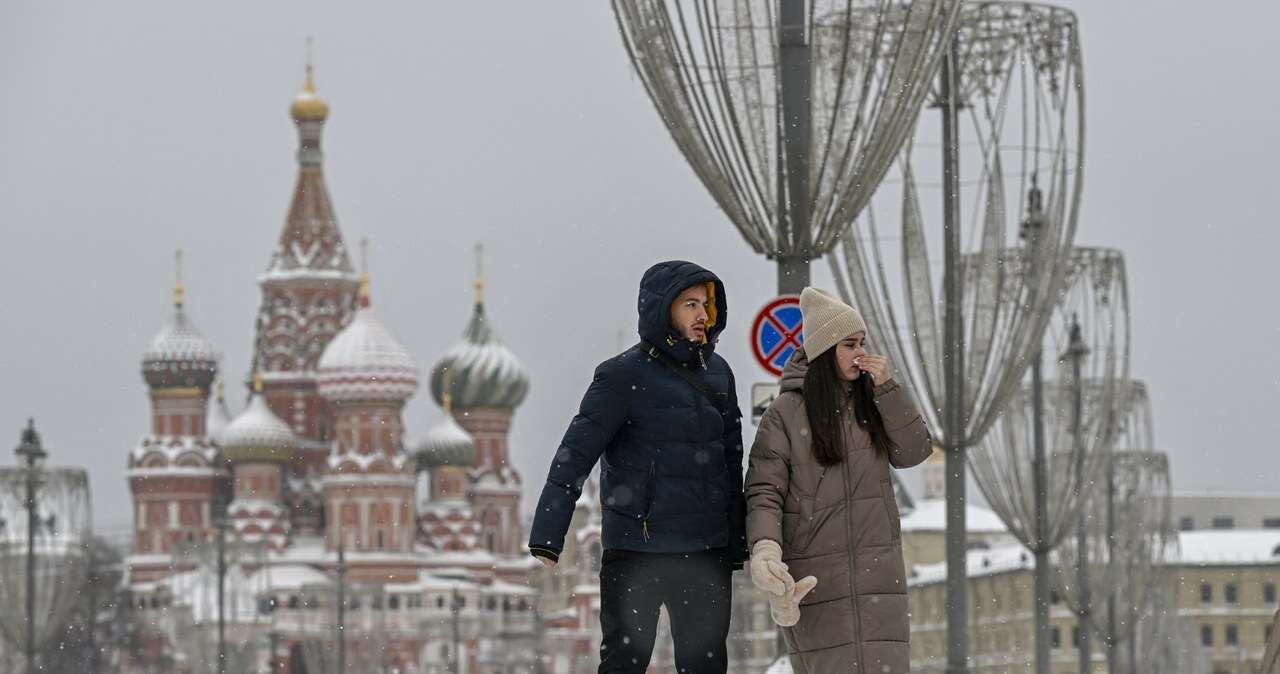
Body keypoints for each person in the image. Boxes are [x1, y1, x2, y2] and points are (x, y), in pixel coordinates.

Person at [528, 260, 748, 674]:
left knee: (705, 666)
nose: (703, 315)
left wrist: (736, 540)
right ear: (663, 309)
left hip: (703, 554)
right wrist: (548, 535)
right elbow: (575, 454)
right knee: (624, 664)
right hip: (636, 551)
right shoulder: (621, 376)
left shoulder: (718, 374)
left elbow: (730, 462)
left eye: (706, 305)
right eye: (690, 304)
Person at [745, 287, 931, 674]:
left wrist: (888, 389)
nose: (860, 352)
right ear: (826, 350)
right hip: (817, 580)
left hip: (879, 579)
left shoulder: (873, 403)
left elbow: (914, 451)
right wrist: (765, 549)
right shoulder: (785, 413)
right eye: (849, 344)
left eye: (862, 342)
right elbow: (765, 489)